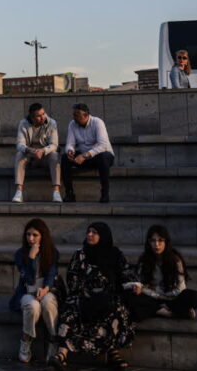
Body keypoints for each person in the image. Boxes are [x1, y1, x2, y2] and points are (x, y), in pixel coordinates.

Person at [48, 222, 135, 370]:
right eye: (88, 232)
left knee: (116, 310)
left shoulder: (115, 254)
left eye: (94, 232)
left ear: (103, 236)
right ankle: (62, 354)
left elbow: (126, 274)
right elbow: (72, 278)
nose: (89, 235)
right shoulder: (80, 254)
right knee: (70, 311)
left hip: (108, 297)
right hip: (84, 296)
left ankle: (113, 353)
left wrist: (132, 285)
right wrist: (87, 293)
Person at [123, 225, 197, 321]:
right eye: (153, 241)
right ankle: (165, 312)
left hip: (171, 299)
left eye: (160, 240)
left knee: (195, 297)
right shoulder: (145, 260)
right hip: (151, 299)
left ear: (166, 242)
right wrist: (141, 289)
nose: (156, 244)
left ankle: (160, 309)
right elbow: (141, 284)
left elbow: (180, 289)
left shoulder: (175, 260)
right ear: (149, 242)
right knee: (129, 295)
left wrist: (157, 294)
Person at [10, 218, 60, 364]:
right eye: (28, 235)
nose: (31, 238)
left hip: (46, 289)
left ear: (42, 236)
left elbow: (52, 273)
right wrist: (31, 257)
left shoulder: (52, 252)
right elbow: (29, 280)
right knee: (32, 306)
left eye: (35, 235)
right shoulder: (20, 254)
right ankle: (26, 341)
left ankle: (53, 340)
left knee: (48, 304)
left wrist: (46, 288)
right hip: (27, 291)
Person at [61, 103, 115, 203]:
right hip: (83, 156)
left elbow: (103, 145)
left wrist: (86, 155)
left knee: (103, 157)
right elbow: (70, 143)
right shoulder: (72, 124)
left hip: (101, 155)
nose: (74, 117)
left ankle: (105, 194)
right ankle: (69, 194)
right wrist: (70, 151)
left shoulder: (98, 122)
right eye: (73, 114)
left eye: (77, 115)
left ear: (86, 115)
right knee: (65, 158)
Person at [12, 103, 62, 204]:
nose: (42, 117)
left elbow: (54, 144)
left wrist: (43, 151)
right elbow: (19, 144)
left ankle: (56, 192)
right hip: (30, 155)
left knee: (55, 155)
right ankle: (19, 191)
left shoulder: (52, 123)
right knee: (19, 154)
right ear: (32, 117)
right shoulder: (23, 123)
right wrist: (31, 151)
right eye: (38, 116)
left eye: (43, 114)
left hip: (45, 155)